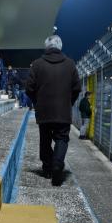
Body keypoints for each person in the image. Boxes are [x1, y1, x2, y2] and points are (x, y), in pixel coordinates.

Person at [26, 35, 81, 186]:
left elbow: (29, 88)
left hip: (43, 110)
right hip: (63, 110)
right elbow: (77, 88)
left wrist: (37, 102)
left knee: (45, 139)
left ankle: (48, 167)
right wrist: (68, 102)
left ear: (46, 47)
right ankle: (57, 164)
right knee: (62, 138)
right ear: (60, 47)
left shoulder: (37, 64)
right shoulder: (70, 64)